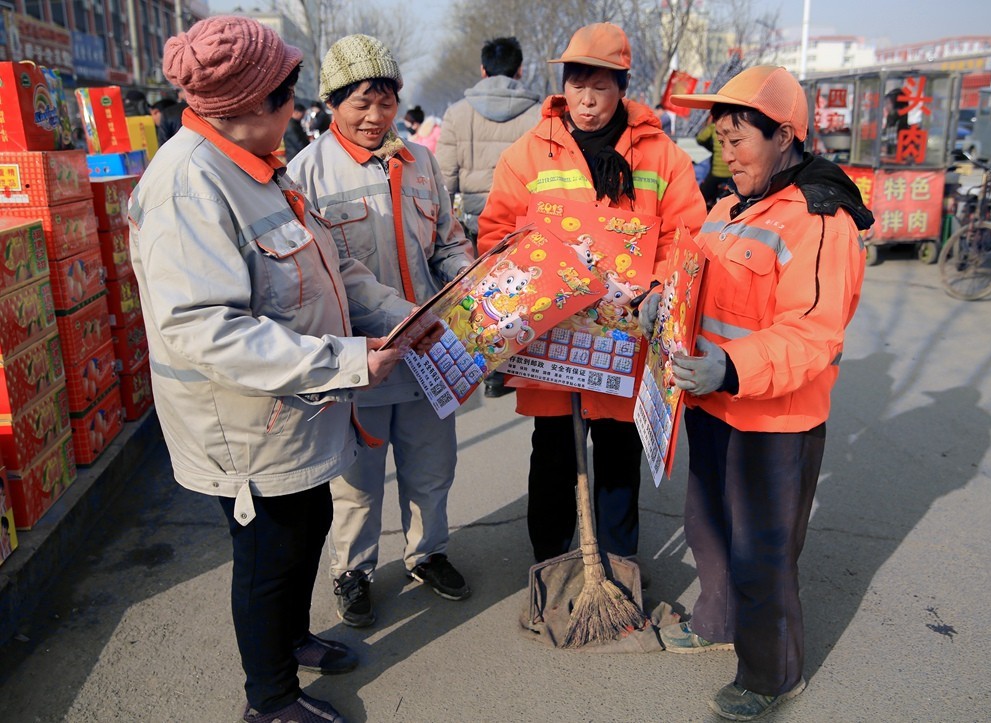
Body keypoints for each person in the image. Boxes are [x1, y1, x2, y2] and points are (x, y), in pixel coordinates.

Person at [129, 16, 432, 723]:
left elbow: (333, 265)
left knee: (309, 520)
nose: (295, 112)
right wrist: (351, 360)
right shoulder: (189, 189)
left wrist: (402, 313)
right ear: (243, 107)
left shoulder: (258, 167)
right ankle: (268, 698)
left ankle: (292, 640)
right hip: (242, 425)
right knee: (270, 555)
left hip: (293, 411)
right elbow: (209, 329)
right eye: (285, 98)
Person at [642, 65, 872, 720]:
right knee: (707, 525)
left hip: (775, 418)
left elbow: (814, 333)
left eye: (739, 138)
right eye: (719, 140)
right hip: (714, 405)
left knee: (762, 551)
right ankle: (717, 620)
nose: (727, 153)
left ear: (786, 137)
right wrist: (657, 304)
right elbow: (694, 282)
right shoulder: (728, 205)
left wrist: (733, 367)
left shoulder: (820, 220)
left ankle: (773, 674)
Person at [477, 23, 706, 570]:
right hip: (553, 339)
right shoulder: (528, 155)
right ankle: (551, 565)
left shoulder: (661, 157)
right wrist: (535, 279)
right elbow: (495, 236)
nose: (587, 98)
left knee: (619, 454)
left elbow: (685, 237)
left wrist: (655, 289)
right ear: (563, 85)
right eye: (577, 83)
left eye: (600, 86)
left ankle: (619, 562)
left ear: (622, 87)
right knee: (553, 450)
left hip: (624, 339)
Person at [288, 34, 475, 629]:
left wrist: (470, 282)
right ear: (332, 103)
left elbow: (447, 242)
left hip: (428, 353)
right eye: (361, 103)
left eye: (387, 102)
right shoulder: (305, 174)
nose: (375, 117)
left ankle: (427, 554)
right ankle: (353, 571)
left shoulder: (420, 163)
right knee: (356, 482)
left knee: (431, 466)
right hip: (360, 361)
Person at [437, 36, 541, 399]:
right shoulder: (539, 114)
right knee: (522, 295)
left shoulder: (456, 114)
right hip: (524, 219)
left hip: (476, 218)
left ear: (482, 70)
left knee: (486, 296)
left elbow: (444, 179)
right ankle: (518, 364)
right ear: (520, 70)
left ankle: (489, 368)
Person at [696, 120, 734, 209]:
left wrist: (711, 148)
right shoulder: (736, 126)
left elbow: (700, 138)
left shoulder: (714, 127)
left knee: (702, 198)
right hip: (732, 174)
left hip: (716, 174)